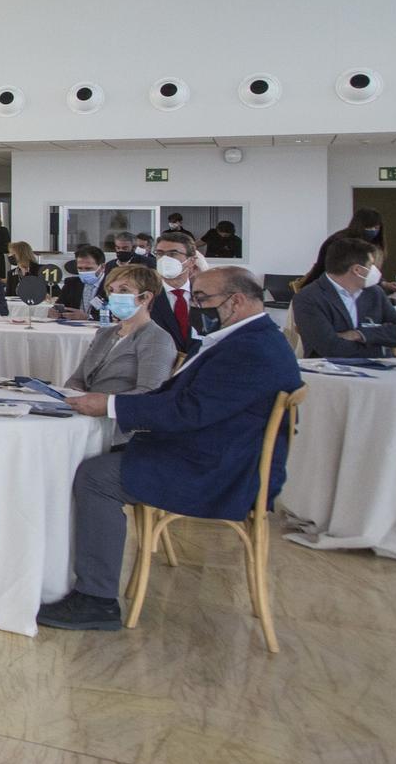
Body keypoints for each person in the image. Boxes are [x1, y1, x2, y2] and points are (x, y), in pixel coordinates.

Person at [44, 268, 304, 631]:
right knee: (95, 467)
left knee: (95, 476)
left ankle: (97, 599)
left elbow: (190, 410)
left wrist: (112, 406)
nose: (195, 306)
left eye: (202, 299)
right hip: (213, 453)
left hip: (219, 471)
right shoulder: (247, 339)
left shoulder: (250, 349)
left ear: (238, 301)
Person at [64, 265, 177, 411]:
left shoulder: (157, 338)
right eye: (111, 290)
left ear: (146, 297)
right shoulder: (104, 334)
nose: (115, 296)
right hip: (87, 411)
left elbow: (150, 392)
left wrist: (107, 404)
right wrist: (75, 394)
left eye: (124, 290)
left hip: (120, 418)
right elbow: (77, 379)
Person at [292, 235, 396, 358]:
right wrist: (380, 350)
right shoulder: (309, 298)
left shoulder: (374, 293)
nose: (375, 270)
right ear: (357, 270)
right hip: (331, 373)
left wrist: (361, 334)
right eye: (371, 265)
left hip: (381, 371)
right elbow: (330, 348)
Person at [147, 230, 208, 356]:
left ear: (191, 261)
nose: (165, 259)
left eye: (173, 254)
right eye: (160, 253)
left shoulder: (207, 297)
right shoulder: (145, 297)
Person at [300, 209, 387, 287]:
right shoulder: (340, 242)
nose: (373, 230)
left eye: (376, 228)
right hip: (327, 287)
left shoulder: (373, 243)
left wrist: (382, 283)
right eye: (369, 227)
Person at [54, 245, 109, 318]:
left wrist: (88, 317)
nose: (83, 272)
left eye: (88, 269)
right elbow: (60, 306)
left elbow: (116, 316)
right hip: (73, 327)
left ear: (102, 267)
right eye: (80, 268)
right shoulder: (71, 283)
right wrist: (55, 312)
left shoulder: (113, 285)